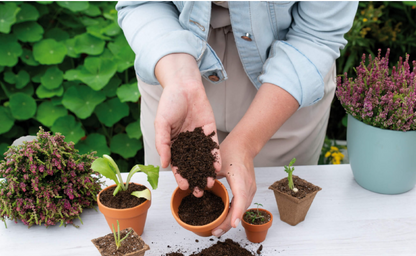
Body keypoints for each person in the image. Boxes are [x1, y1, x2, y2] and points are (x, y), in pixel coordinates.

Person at [116, 1, 358, 237]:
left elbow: (316, 35)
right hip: (174, 63)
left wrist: (246, 142)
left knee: (281, 226)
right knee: (168, 218)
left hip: (285, 83)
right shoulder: (177, 80)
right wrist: (179, 79)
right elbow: (141, 3)